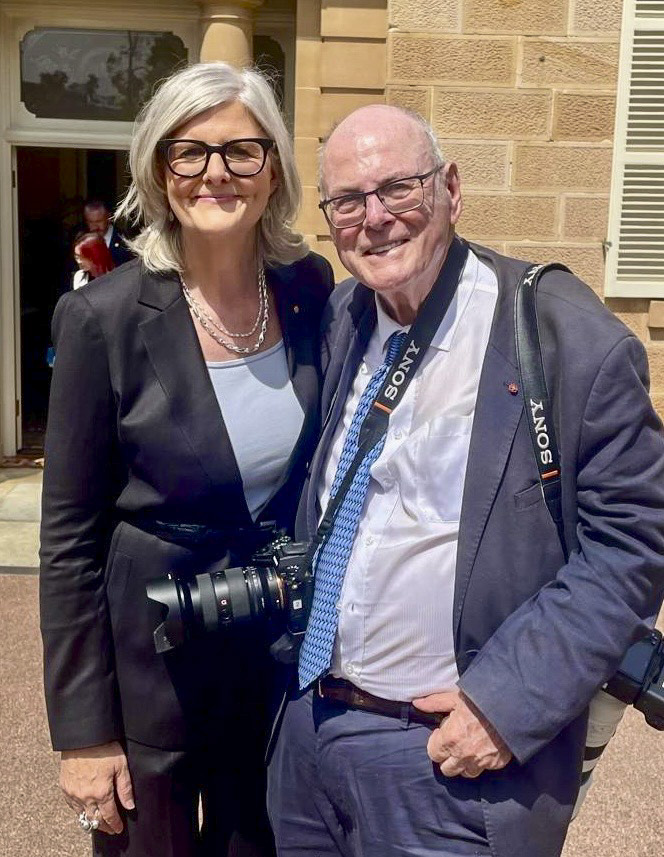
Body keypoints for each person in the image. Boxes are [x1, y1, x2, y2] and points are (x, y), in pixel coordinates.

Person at [267, 105, 664, 857]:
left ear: (451, 187)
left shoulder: (562, 335)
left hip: (449, 765)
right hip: (310, 745)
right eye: (348, 201)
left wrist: (504, 705)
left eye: (400, 190)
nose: (375, 219)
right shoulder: (346, 314)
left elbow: (631, 547)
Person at [40, 61, 333, 857]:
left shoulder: (309, 289)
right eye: (189, 152)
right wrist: (84, 734)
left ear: (273, 169)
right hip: (150, 670)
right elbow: (67, 540)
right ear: (159, 171)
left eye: (242, 150)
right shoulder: (101, 319)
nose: (216, 173)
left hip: (269, 654)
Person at [82, 198, 134, 267]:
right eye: (91, 222)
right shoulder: (81, 243)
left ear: (109, 217)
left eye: (99, 221)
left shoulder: (125, 242)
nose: (95, 227)